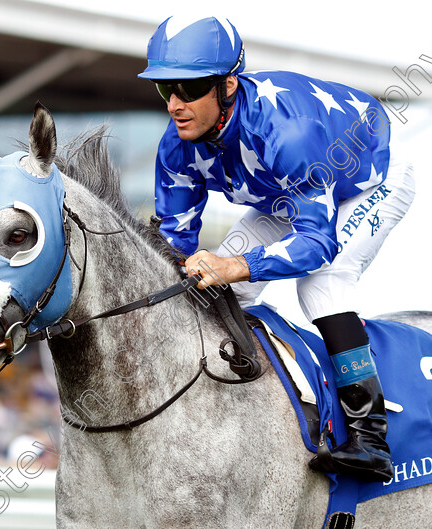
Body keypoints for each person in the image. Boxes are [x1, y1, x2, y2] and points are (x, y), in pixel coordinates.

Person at [138, 16, 416, 482]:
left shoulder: (288, 133)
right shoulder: (176, 147)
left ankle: (372, 439)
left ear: (227, 85)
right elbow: (173, 245)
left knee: (321, 287)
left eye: (188, 89)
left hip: (368, 179)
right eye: (165, 88)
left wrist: (238, 264)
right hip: (282, 193)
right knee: (209, 294)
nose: (174, 105)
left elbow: (316, 244)